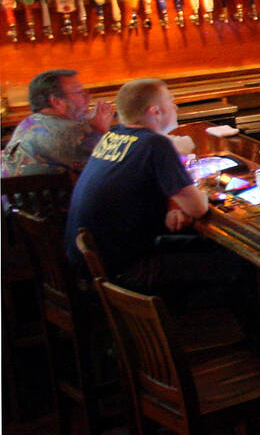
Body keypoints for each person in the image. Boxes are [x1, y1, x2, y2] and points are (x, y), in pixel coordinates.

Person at [63, 79, 240, 296]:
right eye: (171, 101)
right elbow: (198, 209)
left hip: (92, 264)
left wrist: (172, 204)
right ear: (155, 111)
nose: (175, 107)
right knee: (241, 266)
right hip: (125, 271)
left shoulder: (113, 135)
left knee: (214, 247)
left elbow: (138, 185)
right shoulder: (155, 144)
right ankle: (217, 329)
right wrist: (194, 195)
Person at [2, 69, 114, 177]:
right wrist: (99, 130)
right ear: (56, 101)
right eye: (80, 92)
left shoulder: (27, 123)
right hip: (55, 196)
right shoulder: (72, 132)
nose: (88, 97)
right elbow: (111, 168)